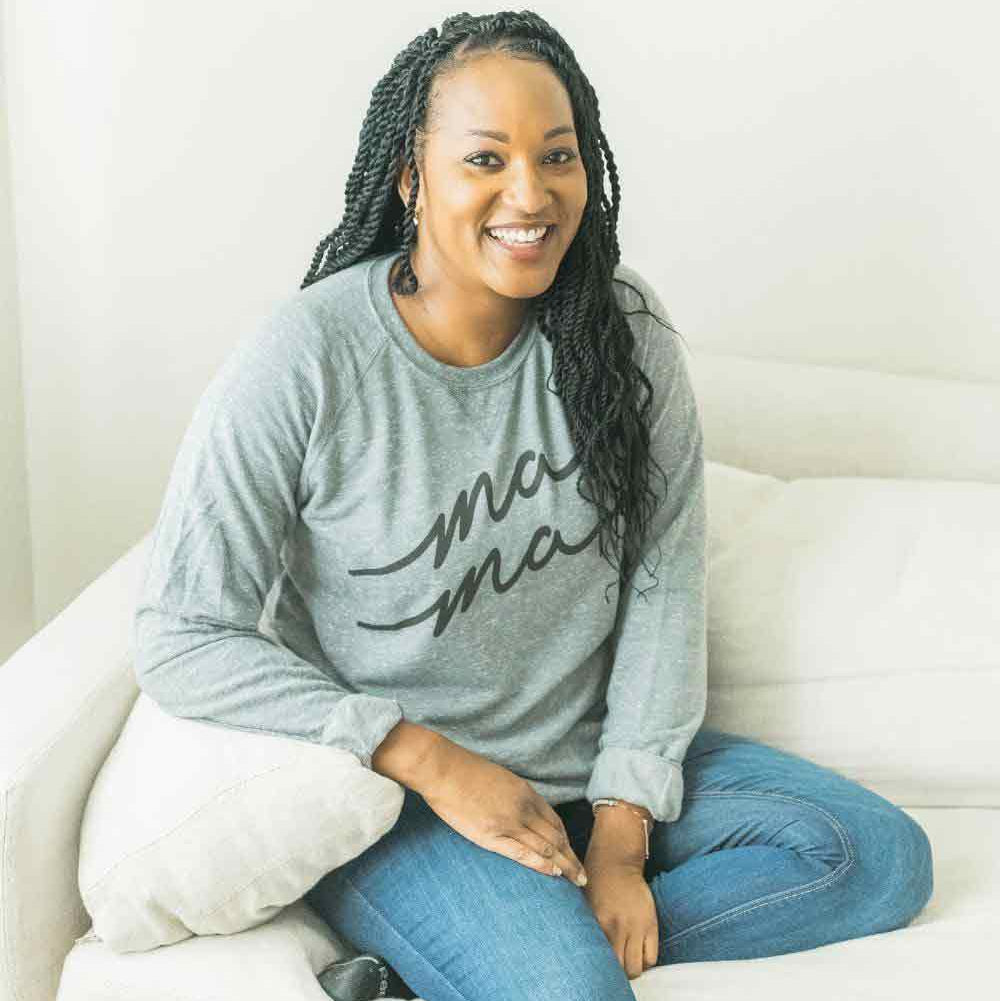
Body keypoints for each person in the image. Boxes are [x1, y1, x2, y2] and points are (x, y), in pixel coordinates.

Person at [133, 10, 934, 1001]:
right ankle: (517, 955)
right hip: (414, 803)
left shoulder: (622, 332)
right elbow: (182, 633)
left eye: (557, 155)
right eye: (485, 158)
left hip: (594, 765)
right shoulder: (304, 358)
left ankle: (453, 968)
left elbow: (663, 585)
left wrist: (622, 835)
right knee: (571, 992)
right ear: (410, 177)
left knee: (874, 857)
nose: (530, 192)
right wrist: (425, 757)